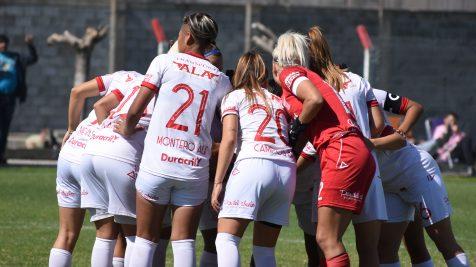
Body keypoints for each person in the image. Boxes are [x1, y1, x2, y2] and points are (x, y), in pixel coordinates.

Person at [120, 12, 231, 267]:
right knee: (184, 242)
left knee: (146, 238)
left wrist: (126, 128)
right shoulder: (221, 80)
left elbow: (136, 110)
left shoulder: (163, 62)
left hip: (157, 163)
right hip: (193, 169)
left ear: (187, 36)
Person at [306, 26, 409, 267]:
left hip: (335, 166)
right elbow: (378, 124)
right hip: (367, 167)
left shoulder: (311, 85)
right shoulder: (358, 80)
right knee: (369, 249)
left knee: (328, 242)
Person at [272, 32, 376, 267]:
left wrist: (296, 128)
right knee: (329, 239)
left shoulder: (291, 73)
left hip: (341, 149)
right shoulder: (306, 77)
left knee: (325, 238)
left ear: (277, 60)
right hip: (352, 150)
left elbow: (315, 100)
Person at [210, 51, 295, 267]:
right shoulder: (278, 100)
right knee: (265, 250)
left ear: (238, 73)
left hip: (254, 163)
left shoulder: (235, 96)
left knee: (226, 238)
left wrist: (219, 182)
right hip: (286, 169)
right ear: (264, 73)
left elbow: (229, 139)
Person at [372, 89, 469, 267]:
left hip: (415, 171)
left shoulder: (361, 88)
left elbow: (414, 107)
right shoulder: (325, 98)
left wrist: (398, 134)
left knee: (444, 243)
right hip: (386, 182)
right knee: (387, 250)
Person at [49, 72, 128, 267]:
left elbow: (77, 92)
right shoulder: (149, 89)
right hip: (93, 158)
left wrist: (71, 129)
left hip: (70, 152)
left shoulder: (122, 76)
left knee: (66, 233)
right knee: (111, 233)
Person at [80, 71, 151, 267]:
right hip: (121, 155)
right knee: (133, 235)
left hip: (93, 150)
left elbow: (99, 105)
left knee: (104, 235)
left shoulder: (136, 80)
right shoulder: (168, 84)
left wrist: (107, 131)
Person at [0, 34, 38, 164]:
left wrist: (30, 45)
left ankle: (1, 155)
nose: (2, 45)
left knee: (4, 128)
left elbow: (32, 59)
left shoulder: (14, 57)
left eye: (4, 42)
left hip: (9, 98)